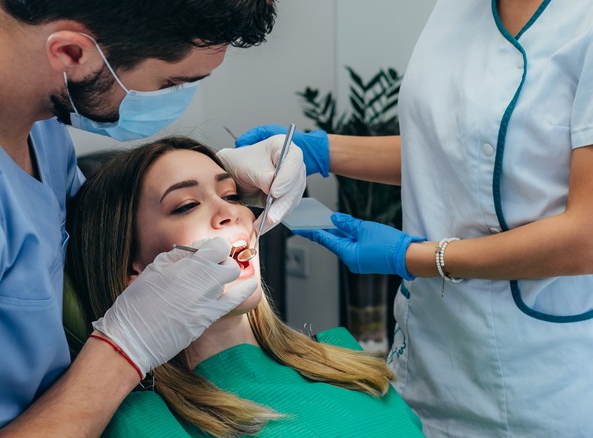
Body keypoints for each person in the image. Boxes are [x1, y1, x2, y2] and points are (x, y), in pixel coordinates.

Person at [0, 1, 310, 436]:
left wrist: (213, 175)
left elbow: (74, 225)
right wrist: (126, 347)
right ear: (71, 53)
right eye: (172, 84)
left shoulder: (30, 114)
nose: (174, 101)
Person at [237, 0, 593, 436]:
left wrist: (415, 257)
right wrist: (319, 152)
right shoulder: (457, 9)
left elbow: (585, 237)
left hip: (537, 379)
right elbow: (448, 149)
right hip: (428, 353)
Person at [66, 136, 424, 437]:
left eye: (232, 195)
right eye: (187, 205)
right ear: (135, 268)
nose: (233, 213)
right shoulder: (145, 420)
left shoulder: (341, 357)